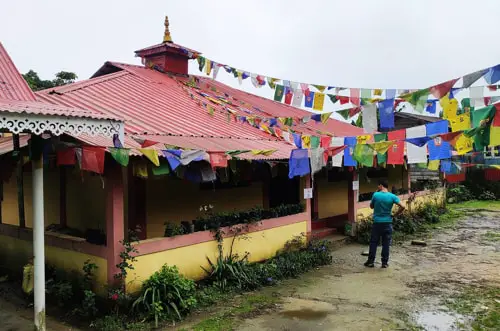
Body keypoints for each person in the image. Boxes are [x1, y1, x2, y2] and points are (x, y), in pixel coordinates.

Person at [364, 179, 405, 268]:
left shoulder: (376, 195)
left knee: (374, 242)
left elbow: (371, 206)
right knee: (386, 243)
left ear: (381, 186)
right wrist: (395, 215)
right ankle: (384, 263)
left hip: (377, 223)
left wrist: (375, 195)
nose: (377, 187)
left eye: (378, 186)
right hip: (388, 223)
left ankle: (371, 261)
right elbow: (403, 206)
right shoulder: (392, 196)